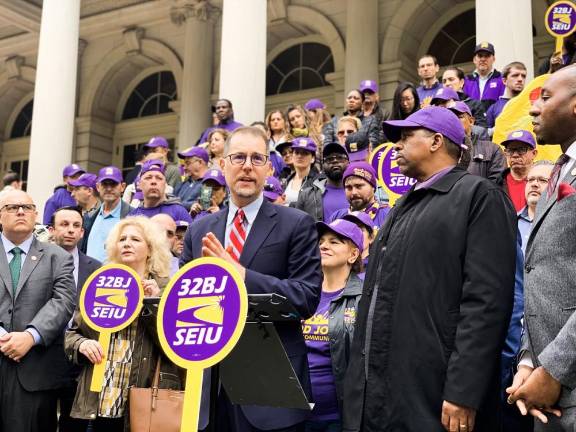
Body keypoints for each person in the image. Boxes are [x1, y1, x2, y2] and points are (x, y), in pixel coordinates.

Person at [343, 106, 517, 431]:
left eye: (407, 136)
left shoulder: (479, 196)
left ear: (437, 141)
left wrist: (464, 390)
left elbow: (486, 303)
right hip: (380, 394)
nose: (396, 145)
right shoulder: (403, 205)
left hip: (435, 398)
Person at [180, 126, 322, 431]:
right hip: (208, 392)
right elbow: (184, 305)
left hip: (269, 391)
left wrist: (241, 275)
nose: (247, 165)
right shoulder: (198, 230)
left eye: (257, 158)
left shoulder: (296, 224)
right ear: (223, 164)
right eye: (239, 157)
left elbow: (306, 297)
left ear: (270, 169)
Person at [65, 216, 182, 432]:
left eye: (135, 239)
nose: (127, 243)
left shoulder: (167, 289)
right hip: (100, 397)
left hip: (143, 396)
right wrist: (81, 344)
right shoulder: (101, 283)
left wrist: (152, 305)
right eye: (122, 239)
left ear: (150, 249)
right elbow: (72, 334)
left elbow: (175, 345)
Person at [507, 66, 576, 429]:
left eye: (546, 97)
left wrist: (554, 369)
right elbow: (543, 276)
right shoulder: (560, 171)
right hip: (546, 394)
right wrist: (529, 361)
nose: (534, 108)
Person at [0, 190, 76, 432]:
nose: (20, 211)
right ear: (0, 216)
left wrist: (30, 336)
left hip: (35, 372)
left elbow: (63, 301)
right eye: (12, 207)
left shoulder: (59, 257)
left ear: (36, 215)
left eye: (27, 207)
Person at [302, 219, 364, 431]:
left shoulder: (364, 298)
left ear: (353, 255)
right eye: (321, 241)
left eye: (334, 241)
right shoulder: (302, 292)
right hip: (294, 413)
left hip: (336, 417)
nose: (324, 246)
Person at [48, 206, 101, 432]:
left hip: (80, 360)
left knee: (75, 426)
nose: (70, 230)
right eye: (64, 224)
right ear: (51, 230)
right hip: (44, 357)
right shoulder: (37, 263)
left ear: (82, 233)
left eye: (76, 226)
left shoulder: (96, 268)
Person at [82, 166, 133, 262]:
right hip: (90, 275)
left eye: (113, 184)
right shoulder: (89, 218)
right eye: (105, 184)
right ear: (97, 187)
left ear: (122, 187)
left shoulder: (133, 216)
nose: (109, 188)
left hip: (118, 274)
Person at [448, 101, 506, 183]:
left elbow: (496, 185)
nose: (454, 121)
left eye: (459, 117)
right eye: (450, 118)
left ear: (471, 121)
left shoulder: (492, 150)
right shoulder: (438, 150)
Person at [295, 142, 350, 222]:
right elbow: (298, 226)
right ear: (323, 165)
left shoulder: (358, 192)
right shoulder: (306, 195)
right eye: (329, 159)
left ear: (349, 162)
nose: (335, 161)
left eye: (340, 158)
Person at [128, 159, 193, 223]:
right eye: (148, 178)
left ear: (165, 185)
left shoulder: (179, 212)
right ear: (139, 185)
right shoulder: (133, 217)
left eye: (159, 178)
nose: (154, 181)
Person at [329, 162, 389, 228]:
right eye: (349, 187)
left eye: (359, 186)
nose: (354, 192)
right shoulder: (337, 217)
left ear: (373, 187)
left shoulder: (388, 215)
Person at [495, 130, 538, 212]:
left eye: (521, 150)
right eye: (510, 150)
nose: (515, 155)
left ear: (534, 153)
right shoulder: (495, 185)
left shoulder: (545, 183)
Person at [517, 161, 553, 254]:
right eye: (530, 180)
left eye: (543, 180)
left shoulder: (562, 223)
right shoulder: (510, 221)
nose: (534, 184)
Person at [463, 42, 506, 110]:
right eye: (480, 56)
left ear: (494, 59)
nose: (483, 59)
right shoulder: (466, 80)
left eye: (487, 56)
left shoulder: (502, 79)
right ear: (474, 60)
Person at [486, 62, 527, 127]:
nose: (520, 79)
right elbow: (486, 135)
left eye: (523, 76)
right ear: (504, 81)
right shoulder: (493, 109)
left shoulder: (532, 104)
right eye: (515, 75)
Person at [284, 137, 320, 206]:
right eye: (297, 152)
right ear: (292, 156)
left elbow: (312, 206)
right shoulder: (287, 180)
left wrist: (287, 206)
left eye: (305, 153)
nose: (300, 156)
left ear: (313, 158)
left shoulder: (318, 181)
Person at [174, 146, 210, 211]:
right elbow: (171, 202)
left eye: (188, 163)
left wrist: (179, 204)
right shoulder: (184, 182)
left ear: (200, 162)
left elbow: (204, 205)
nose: (184, 167)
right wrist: (189, 205)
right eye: (184, 164)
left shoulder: (210, 182)